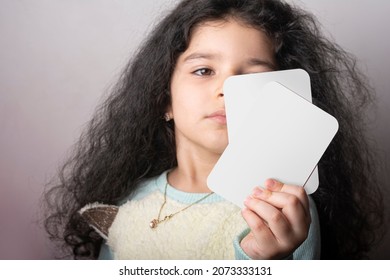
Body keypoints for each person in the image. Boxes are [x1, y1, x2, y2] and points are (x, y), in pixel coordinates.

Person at [43, 0, 384, 260]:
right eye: (204, 71)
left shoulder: (283, 209)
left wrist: (267, 260)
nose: (227, 89)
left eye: (249, 77)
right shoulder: (128, 204)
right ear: (164, 99)